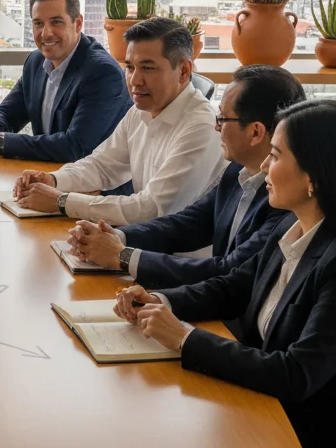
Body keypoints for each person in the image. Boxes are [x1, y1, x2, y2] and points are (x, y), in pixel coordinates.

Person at [115, 100, 336, 448]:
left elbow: (295, 374)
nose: (264, 164)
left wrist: (182, 337)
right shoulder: (294, 225)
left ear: (314, 177)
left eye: (278, 155)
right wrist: (159, 301)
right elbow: (231, 289)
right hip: (259, 416)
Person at [67, 65, 305, 285]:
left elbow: (229, 270)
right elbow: (190, 224)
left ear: (255, 132)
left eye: (222, 118)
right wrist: (116, 236)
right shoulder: (237, 170)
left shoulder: (287, 199)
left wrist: (122, 257)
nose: (216, 127)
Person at [13, 17, 225, 226]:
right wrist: (53, 180)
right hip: (142, 243)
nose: (134, 80)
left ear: (184, 71)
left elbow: (151, 209)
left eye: (148, 68)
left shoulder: (201, 127)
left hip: (175, 256)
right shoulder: (140, 111)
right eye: (130, 67)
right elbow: (102, 166)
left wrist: (61, 201)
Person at [0, 0, 130, 161]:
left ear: (77, 24)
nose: (46, 33)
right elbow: (9, 113)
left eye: (56, 22)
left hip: (94, 187)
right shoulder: (36, 61)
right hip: (47, 177)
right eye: (38, 23)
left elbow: (75, 146)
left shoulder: (102, 72)